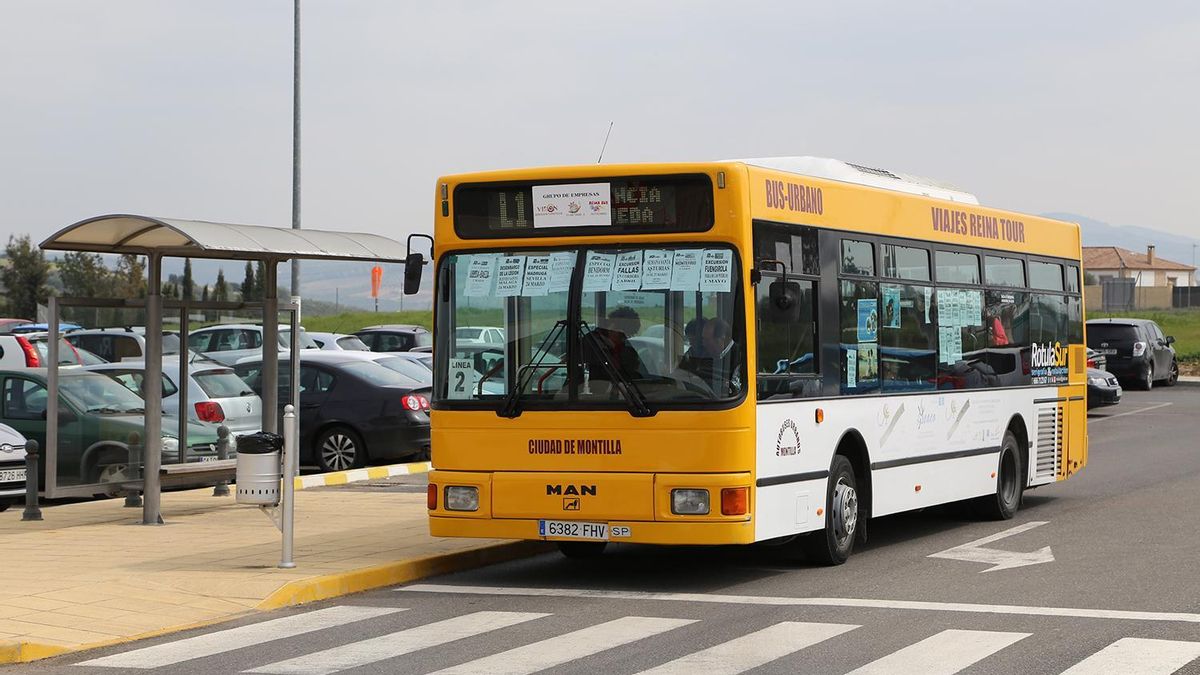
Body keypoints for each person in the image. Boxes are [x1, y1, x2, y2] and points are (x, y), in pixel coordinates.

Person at [583, 306, 647, 383]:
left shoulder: (625, 350)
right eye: (621, 334)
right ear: (612, 326)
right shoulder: (591, 344)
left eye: (628, 335)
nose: (624, 339)